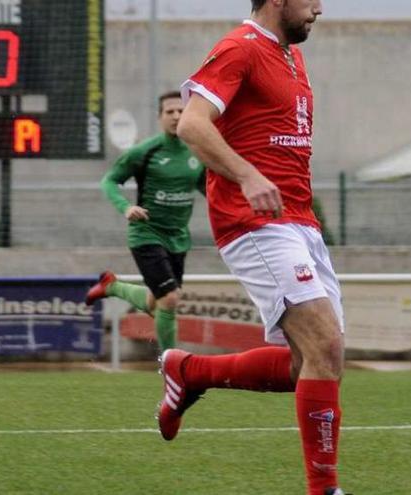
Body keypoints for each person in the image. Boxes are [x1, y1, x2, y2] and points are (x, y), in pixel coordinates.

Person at [160, 1, 349, 494]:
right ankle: (323, 490)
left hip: (300, 223)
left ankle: (189, 371)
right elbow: (192, 124)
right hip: (255, 222)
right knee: (324, 346)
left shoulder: (291, 56)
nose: (319, 8)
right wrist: (247, 175)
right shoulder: (238, 49)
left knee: (310, 362)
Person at [85, 91, 206, 352]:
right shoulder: (145, 151)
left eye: (181, 111)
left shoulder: (198, 151)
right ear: (160, 117)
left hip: (178, 237)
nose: (176, 116)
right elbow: (109, 181)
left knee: (156, 302)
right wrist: (126, 207)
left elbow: (208, 188)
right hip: (147, 234)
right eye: (169, 112)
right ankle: (172, 367)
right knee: (171, 299)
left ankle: (112, 286)